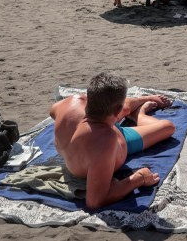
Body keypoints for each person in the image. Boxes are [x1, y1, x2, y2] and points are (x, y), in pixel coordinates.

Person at [50, 73, 175, 209]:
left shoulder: (71, 101)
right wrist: (139, 178)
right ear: (117, 111)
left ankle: (143, 100)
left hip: (100, 120)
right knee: (168, 127)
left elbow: (52, 111)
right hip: (121, 138)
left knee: (116, 107)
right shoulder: (106, 139)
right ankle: (139, 115)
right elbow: (94, 201)